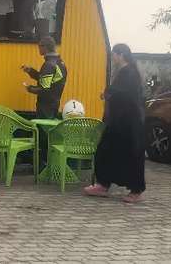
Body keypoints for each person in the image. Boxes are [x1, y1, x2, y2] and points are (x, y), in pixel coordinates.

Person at [83, 44, 146, 203]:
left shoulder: (130, 73)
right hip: (117, 121)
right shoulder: (123, 72)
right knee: (106, 150)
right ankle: (103, 184)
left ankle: (136, 189)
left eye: (115, 55)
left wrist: (108, 94)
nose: (113, 58)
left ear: (122, 55)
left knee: (131, 154)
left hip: (129, 122)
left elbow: (124, 95)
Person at [22, 36, 68, 120]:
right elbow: (46, 81)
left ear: (45, 47)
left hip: (45, 107)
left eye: (39, 46)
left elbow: (45, 89)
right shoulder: (60, 62)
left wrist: (29, 88)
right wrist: (30, 71)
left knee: (43, 130)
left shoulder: (49, 64)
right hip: (54, 104)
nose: (38, 48)